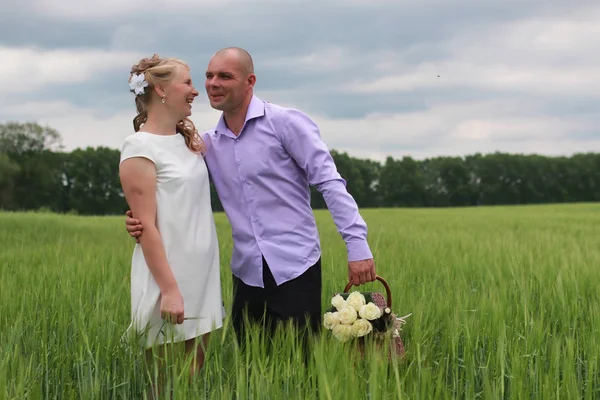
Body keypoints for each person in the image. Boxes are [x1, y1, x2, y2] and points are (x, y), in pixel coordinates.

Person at [126, 47, 376, 349]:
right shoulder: (205, 145)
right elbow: (170, 182)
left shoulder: (285, 123)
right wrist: (139, 218)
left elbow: (329, 181)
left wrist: (357, 245)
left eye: (225, 76)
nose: (212, 83)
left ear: (250, 81)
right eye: (208, 76)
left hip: (296, 267)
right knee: (251, 368)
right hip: (246, 274)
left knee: (303, 368)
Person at [119, 54, 224, 377]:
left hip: (202, 272)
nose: (196, 91)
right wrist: (169, 290)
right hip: (169, 276)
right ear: (161, 89)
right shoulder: (138, 147)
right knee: (163, 384)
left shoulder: (188, 142)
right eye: (188, 83)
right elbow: (147, 225)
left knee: (193, 378)